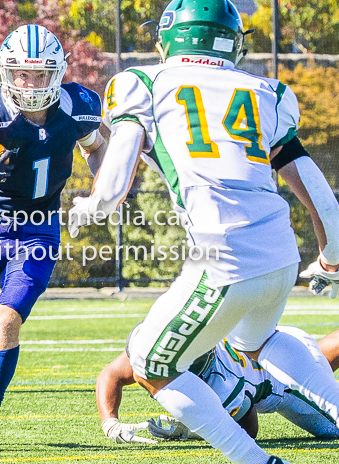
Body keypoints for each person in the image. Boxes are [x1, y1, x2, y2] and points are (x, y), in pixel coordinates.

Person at [68, 1, 339, 463]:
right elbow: (327, 205)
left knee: (152, 362)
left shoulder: (143, 83)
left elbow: (113, 189)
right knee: (251, 348)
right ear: (232, 41)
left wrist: (90, 206)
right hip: (281, 259)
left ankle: (256, 460)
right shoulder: (267, 91)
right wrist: (330, 260)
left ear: (170, 37)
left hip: (225, 259)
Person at [0, 24, 107, 453]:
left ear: (58, 72)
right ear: (6, 72)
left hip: (40, 227)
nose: (30, 83)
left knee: (7, 320)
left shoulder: (78, 106)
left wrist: (100, 190)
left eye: (41, 74)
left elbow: (99, 146)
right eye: (21, 74)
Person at [97, 325, 339, 445]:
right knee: (321, 360)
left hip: (284, 380)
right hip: (276, 343)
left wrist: (198, 428)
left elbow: (248, 429)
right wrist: (111, 423)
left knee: (333, 424)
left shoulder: (222, 383)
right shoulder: (161, 344)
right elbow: (111, 375)